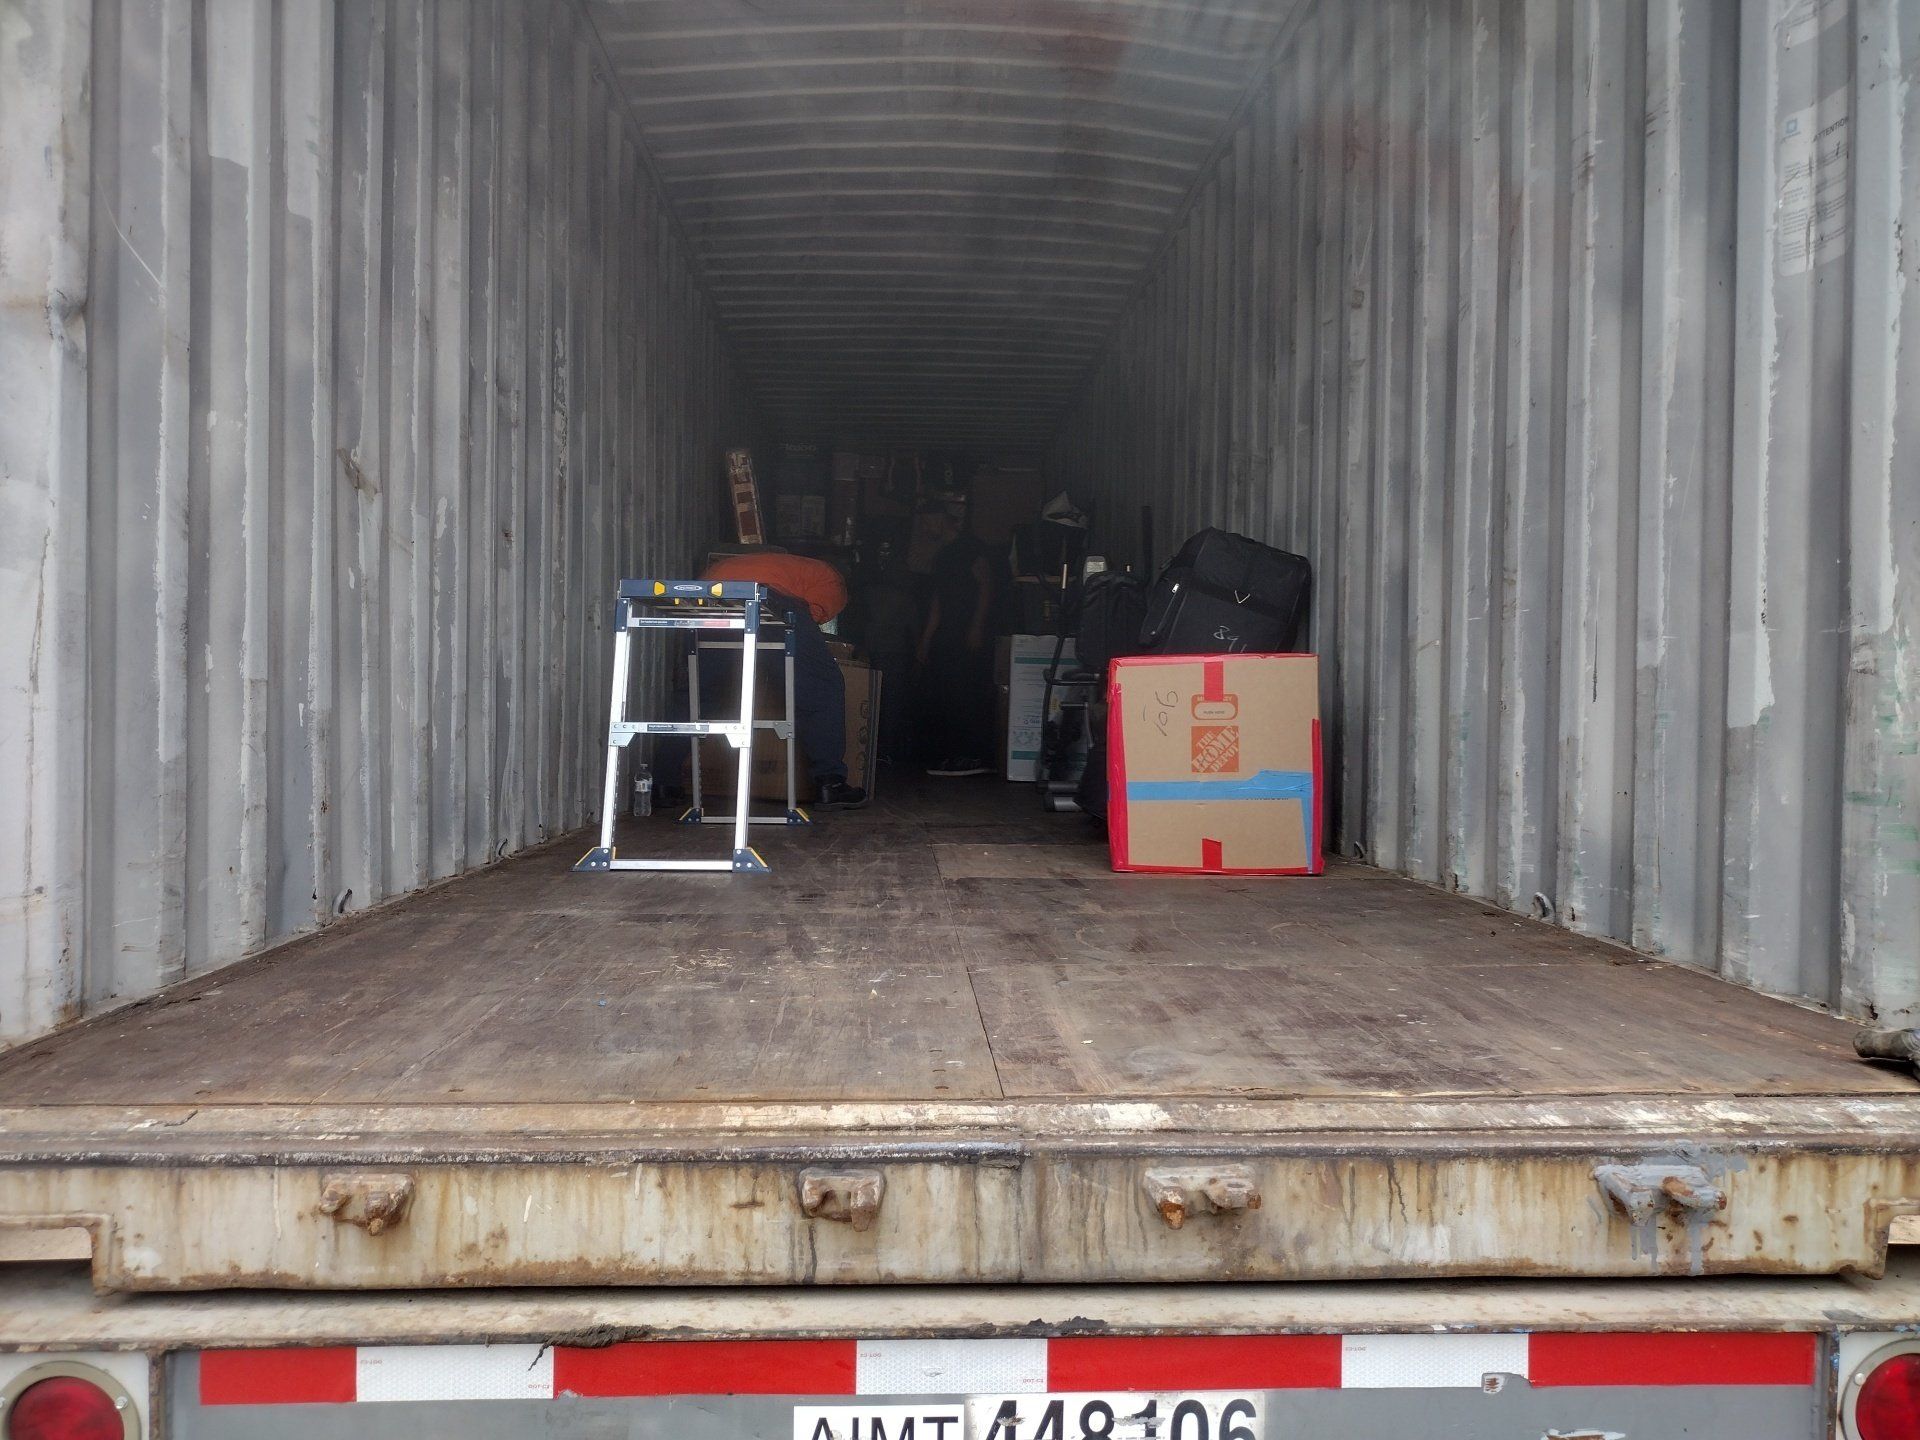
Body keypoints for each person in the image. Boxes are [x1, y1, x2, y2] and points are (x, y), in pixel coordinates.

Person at [688, 551, 866, 809]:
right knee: (823, 684)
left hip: (705, 594)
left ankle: (660, 782)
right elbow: (808, 621)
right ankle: (831, 783)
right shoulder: (833, 581)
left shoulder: (794, 566)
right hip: (763, 597)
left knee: (699, 687)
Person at [918, 506, 1010, 777]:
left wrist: (977, 627)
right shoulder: (942, 556)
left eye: (928, 519)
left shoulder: (972, 548)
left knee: (968, 692)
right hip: (947, 635)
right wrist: (926, 638)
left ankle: (971, 755)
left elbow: (986, 586)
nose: (924, 527)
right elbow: (938, 598)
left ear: (945, 518)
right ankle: (952, 753)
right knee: (946, 693)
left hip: (967, 634)